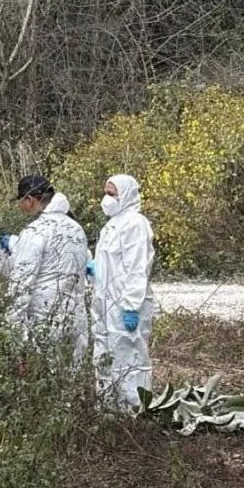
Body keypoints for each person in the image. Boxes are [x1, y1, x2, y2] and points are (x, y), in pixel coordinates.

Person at [0, 175, 89, 367]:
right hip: (76, 318)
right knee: (71, 379)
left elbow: (21, 284)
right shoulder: (76, 228)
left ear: (30, 200)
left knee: (45, 380)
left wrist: (16, 338)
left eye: (21, 201)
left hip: (45, 319)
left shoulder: (36, 231)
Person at [87, 174, 155, 408]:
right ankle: (108, 408)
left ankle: (135, 410)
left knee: (129, 358)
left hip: (125, 305)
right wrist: (96, 269)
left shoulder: (135, 224)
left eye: (112, 194)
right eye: (105, 193)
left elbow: (137, 268)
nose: (107, 198)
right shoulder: (111, 225)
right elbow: (113, 263)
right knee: (105, 356)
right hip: (106, 303)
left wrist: (131, 306)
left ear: (126, 195)